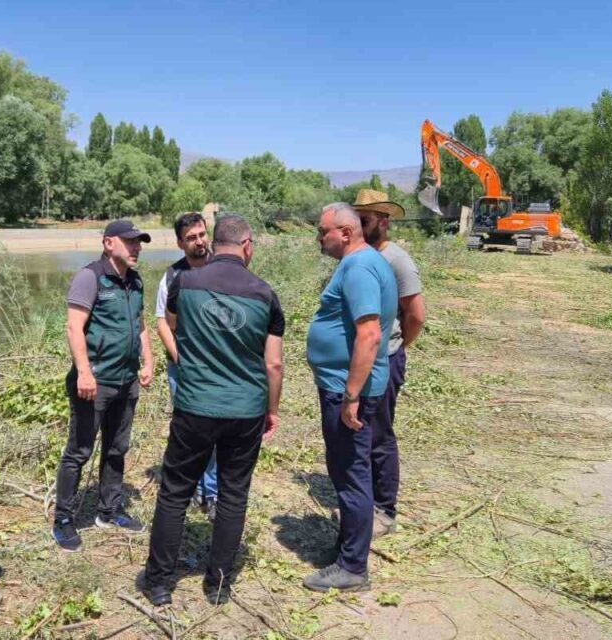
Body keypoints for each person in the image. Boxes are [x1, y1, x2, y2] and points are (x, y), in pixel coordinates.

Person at [139, 214, 284, 607]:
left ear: (214, 242)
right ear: (247, 245)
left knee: (173, 493)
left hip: (195, 407)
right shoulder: (265, 294)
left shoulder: (183, 283)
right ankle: (217, 584)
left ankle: (158, 583)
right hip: (246, 410)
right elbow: (273, 364)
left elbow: (171, 325)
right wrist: (272, 409)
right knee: (234, 495)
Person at [303, 203, 397, 593]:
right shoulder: (367, 262)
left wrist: (351, 395)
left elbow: (370, 334)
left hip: (349, 388)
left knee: (350, 474)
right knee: (350, 469)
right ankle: (349, 547)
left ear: (345, 232)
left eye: (322, 231)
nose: (319, 238)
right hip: (350, 384)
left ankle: (353, 567)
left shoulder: (358, 268)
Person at [52, 219, 155, 551]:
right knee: (79, 451)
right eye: (130, 242)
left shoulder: (135, 281)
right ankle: (64, 520)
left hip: (126, 381)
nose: (137, 247)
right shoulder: (90, 277)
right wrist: (84, 371)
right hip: (94, 382)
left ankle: (108, 511)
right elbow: (73, 327)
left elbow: (140, 324)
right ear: (109, 243)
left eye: (139, 242)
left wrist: (148, 360)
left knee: (117, 448)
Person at [353, 190, 426, 538]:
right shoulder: (361, 256)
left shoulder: (397, 260)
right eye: (357, 219)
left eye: (364, 220)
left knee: (380, 434)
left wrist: (396, 348)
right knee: (362, 431)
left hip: (385, 359)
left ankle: (385, 509)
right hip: (364, 361)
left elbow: (415, 316)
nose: (359, 226)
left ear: (383, 221)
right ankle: (364, 500)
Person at [155, 212, 219, 519]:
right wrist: (180, 359)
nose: (199, 241)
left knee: (217, 429)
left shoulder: (222, 269)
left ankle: (214, 491)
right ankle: (192, 489)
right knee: (188, 431)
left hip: (218, 367)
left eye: (202, 234)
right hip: (183, 368)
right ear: (180, 243)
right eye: (191, 237)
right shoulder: (171, 277)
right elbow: (162, 324)